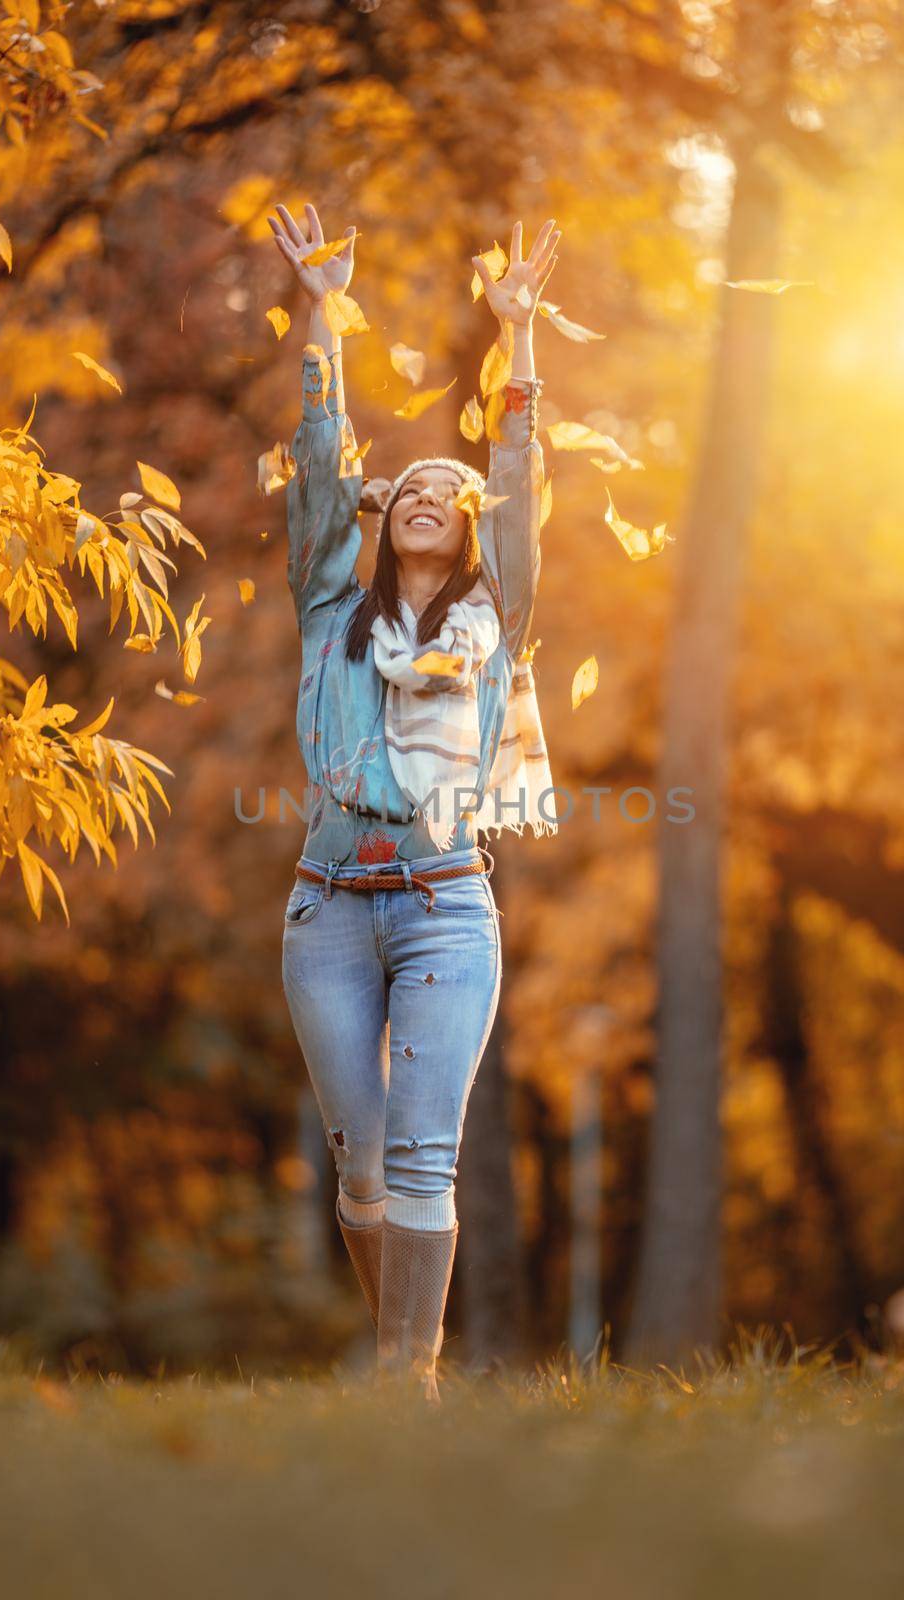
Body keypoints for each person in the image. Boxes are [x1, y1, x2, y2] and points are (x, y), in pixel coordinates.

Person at [269, 199, 560, 1399]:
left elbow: (519, 469)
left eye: (453, 485)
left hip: (446, 905)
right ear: (383, 522)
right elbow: (322, 456)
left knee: (427, 1153)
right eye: (410, 487)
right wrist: (324, 312)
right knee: (361, 1166)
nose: (433, 490)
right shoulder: (330, 611)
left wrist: (520, 337)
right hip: (327, 909)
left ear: (473, 527)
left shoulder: (499, 624)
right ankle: (394, 1352)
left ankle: (408, 1384)